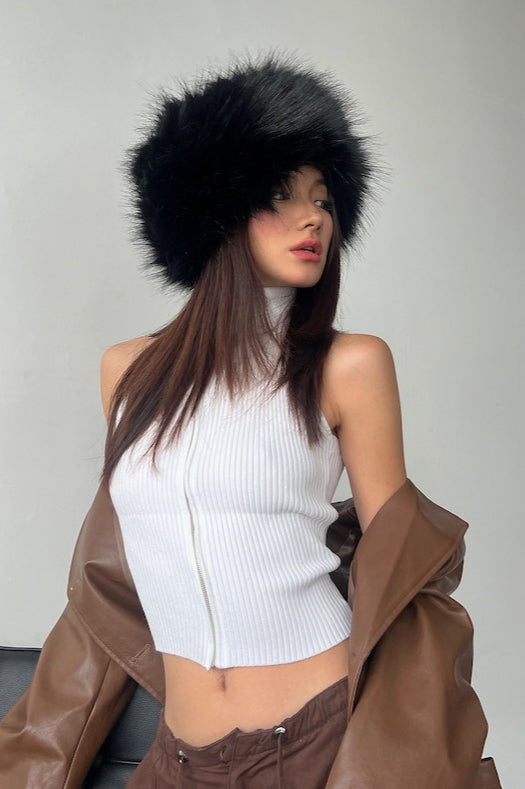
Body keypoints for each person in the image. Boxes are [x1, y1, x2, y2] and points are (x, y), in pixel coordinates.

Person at [0, 49, 502, 789]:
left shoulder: (349, 365)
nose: (312, 217)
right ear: (212, 213)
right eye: (279, 195)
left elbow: (402, 580)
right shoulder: (127, 373)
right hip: (178, 755)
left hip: (314, 740)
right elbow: (119, 575)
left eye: (323, 199)